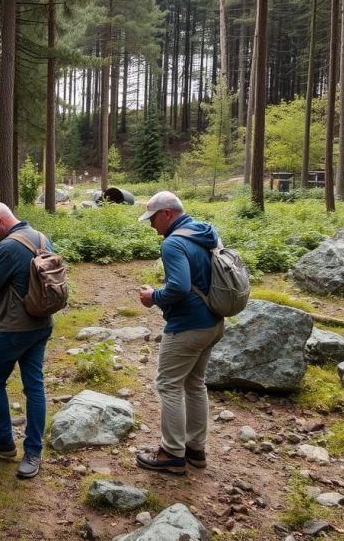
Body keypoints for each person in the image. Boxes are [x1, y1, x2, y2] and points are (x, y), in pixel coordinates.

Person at [135, 191, 226, 475]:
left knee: (168, 384)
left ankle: (172, 453)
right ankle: (195, 449)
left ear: (167, 213)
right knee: (195, 384)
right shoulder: (204, 233)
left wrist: (154, 296)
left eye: (153, 218)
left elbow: (179, 287)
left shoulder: (174, 243)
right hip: (213, 322)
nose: (151, 225)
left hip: (188, 326)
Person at [0, 201, 54, 479]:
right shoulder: (41, 237)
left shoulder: (7, 247)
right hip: (41, 324)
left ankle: (4, 441)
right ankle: (33, 453)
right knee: (34, 386)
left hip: (15, 328)